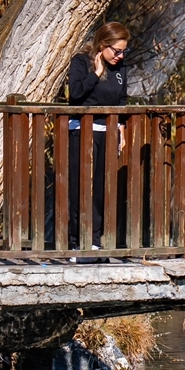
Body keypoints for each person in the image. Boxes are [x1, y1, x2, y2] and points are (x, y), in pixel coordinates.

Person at [66, 21, 129, 251]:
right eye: (116, 50)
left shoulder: (121, 68)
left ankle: (93, 242)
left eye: (124, 51)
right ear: (103, 45)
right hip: (82, 131)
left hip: (108, 131)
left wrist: (121, 129)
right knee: (79, 185)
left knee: (101, 187)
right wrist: (97, 73)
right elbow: (76, 93)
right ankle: (75, 243)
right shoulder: (81, 61)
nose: (120, 56)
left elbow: (121, 100)